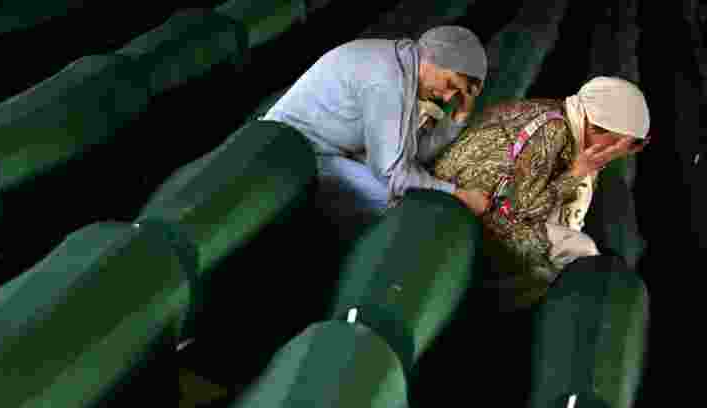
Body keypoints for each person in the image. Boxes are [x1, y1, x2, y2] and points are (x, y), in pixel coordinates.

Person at [432, 76, 651, 311]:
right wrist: (577, 174)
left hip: (483, 203)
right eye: (626, 143)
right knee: (579, 251)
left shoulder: (558, 116)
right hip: (471, 215)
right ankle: (499, 305)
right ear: (597, 127)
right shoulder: (553, 130)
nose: (623, 152)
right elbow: (519, 210)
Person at [261, 26, 492, 235]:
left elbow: (412, 157)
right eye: (450, 84)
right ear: (435, 60)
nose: (448, 97)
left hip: (323, 147)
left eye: (457, 93)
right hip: (290, 151)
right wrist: (458, 195)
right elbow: (396, 176)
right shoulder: (388, 81)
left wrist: (459, 115)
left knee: (407, 186)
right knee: (395, 201)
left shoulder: (406, 67)